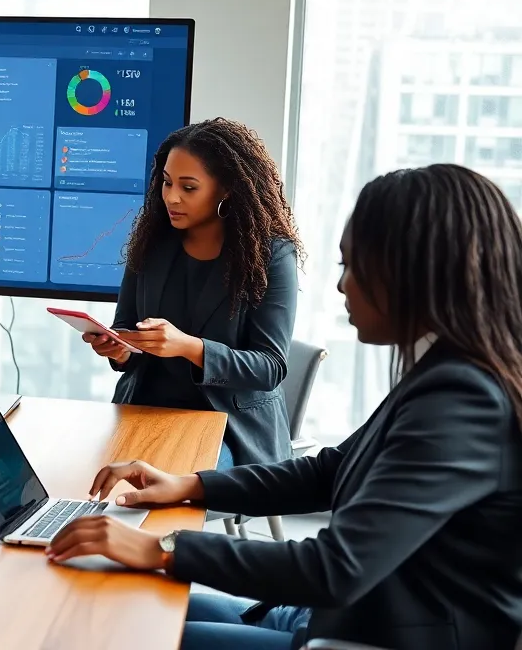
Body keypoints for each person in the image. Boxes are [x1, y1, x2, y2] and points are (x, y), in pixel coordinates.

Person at [48, 164, 522, 650]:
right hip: (330, 616)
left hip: (366, 635)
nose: (342, 286)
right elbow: (328, 473)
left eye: (351, 265)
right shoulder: (443, 373)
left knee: (113, 634)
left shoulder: (465, 401)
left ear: (412, 273)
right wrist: (188, 485)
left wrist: (161, 546)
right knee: (109, 606)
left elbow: (336, 568)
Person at [80, 118, 302, 469]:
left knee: (161, 487)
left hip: (230, 428)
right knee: (84, 471)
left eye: (189, 187)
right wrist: (120, 349)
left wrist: (189, 347)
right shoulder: (151, 243)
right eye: (167, 183)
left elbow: (269, 367)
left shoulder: (271, 255)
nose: (171, 197)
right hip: (147, 413)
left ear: (226, 188)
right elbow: (127, 330)